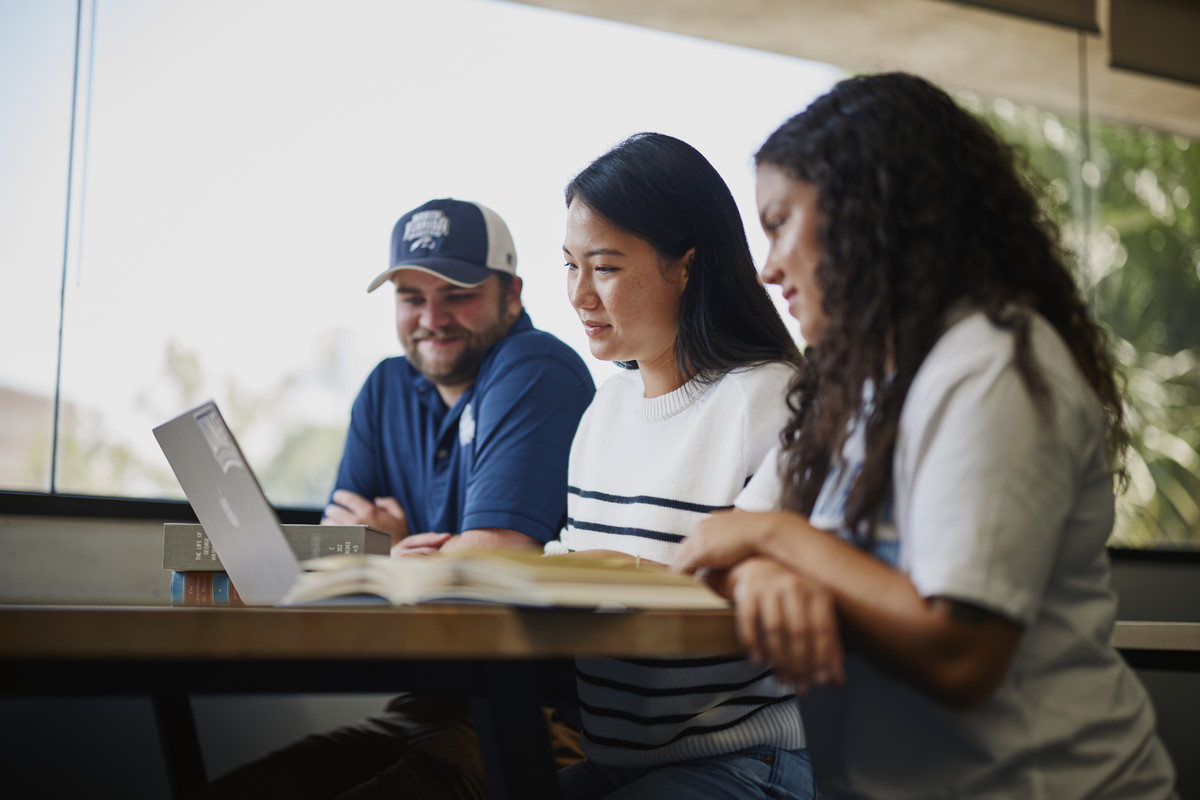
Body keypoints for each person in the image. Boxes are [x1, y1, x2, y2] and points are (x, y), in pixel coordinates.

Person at [674, 73, 1179, 799]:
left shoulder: (992, 365)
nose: (768, 265)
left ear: (866, 213)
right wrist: (765, 569)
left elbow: (960, 656)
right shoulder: (852, 387)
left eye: (781, 222)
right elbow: (725, 541)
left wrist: (783, 544)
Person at [192, 198, 596, 799]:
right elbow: (339, 551)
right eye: (411, 297)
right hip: (427, 705)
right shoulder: (384, 389)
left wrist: (395, 548)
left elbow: (485, 566)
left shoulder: (536, 367)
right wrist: (384, 557)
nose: (432, 317)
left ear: (511, 294)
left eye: (457, 293)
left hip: (537, 713)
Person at [550, 132, 816, 800]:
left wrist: (630, 577)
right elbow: (576, 571)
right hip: (617, 760)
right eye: (570, 265)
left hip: (746, 758)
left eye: (605, 267)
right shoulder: (603, 413)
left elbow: (765, 604)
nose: (580, 295)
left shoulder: (771, 398)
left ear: (686, 266)